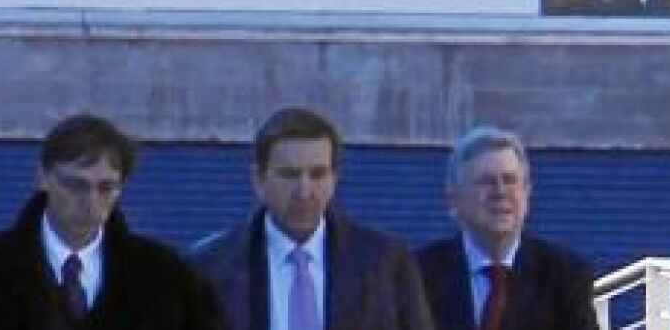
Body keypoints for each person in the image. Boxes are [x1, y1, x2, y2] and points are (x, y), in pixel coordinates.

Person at [0, 113, 226, 330]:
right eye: (75, 185)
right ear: (43, 178)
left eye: (105, 188)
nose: (90, 202)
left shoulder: (168, 279)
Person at [188, 107, 434, 330]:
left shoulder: (386, 263)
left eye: (317, 174)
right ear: (258, 180)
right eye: (289, 175)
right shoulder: (210, 267)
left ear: (334, 179)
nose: (304, 192)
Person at [416, 126, 599, 330]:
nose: (500, 192)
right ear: (455, 198)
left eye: (510, 180)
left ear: (527, 192)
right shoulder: (419, 275)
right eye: (486, 182)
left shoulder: (564, 276)